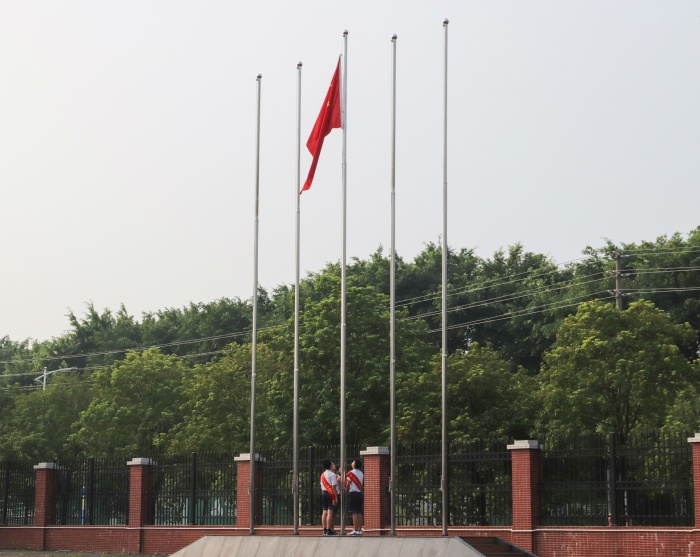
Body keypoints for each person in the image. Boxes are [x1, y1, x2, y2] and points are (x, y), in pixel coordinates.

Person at [344, 459, 364, 536]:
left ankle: (355, 529)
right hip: (359, 493)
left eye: (353, 462)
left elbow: (348, 483)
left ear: (354, 464)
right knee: (359, 512)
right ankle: (359, 530)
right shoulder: (361, 473)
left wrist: (346, 489)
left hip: (353, 493)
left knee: (354, 512)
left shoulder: (351, 473)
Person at [320, 459, 339, 535]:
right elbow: (333, 487)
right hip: (331, 494)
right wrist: (336, 497)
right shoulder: (332, 475)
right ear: (330, 465)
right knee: (330, 512)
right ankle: (329, 529)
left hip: (324, 493)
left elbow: (322, 487)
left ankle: (324, 529)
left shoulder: (322, 475)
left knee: (324, 511)